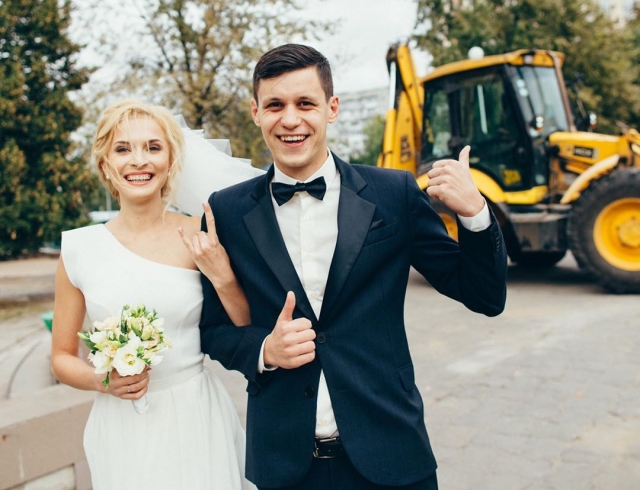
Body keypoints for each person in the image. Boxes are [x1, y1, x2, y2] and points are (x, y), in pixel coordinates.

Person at [196, 44, 507, 490]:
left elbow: (485, 296)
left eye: (305, 103)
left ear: (332, 108)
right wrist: (264, 350)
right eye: (275, 105)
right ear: (256, 112)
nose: (290, 119)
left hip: (392, 454)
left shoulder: (393, 193)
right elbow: (212, 329)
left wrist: (475, 214)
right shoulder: (226, 212)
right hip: (285, 464)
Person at [51, 99, 256, 490]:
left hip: (195, 417)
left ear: (170, 160)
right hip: (121, 426)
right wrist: (102, 381)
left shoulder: (201, 232)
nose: (139, 160)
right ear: (105, 164)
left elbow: (245, 324)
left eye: (153, 147)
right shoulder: (78, 249)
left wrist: (223, 276)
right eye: (123, 148)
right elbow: (61, 357)